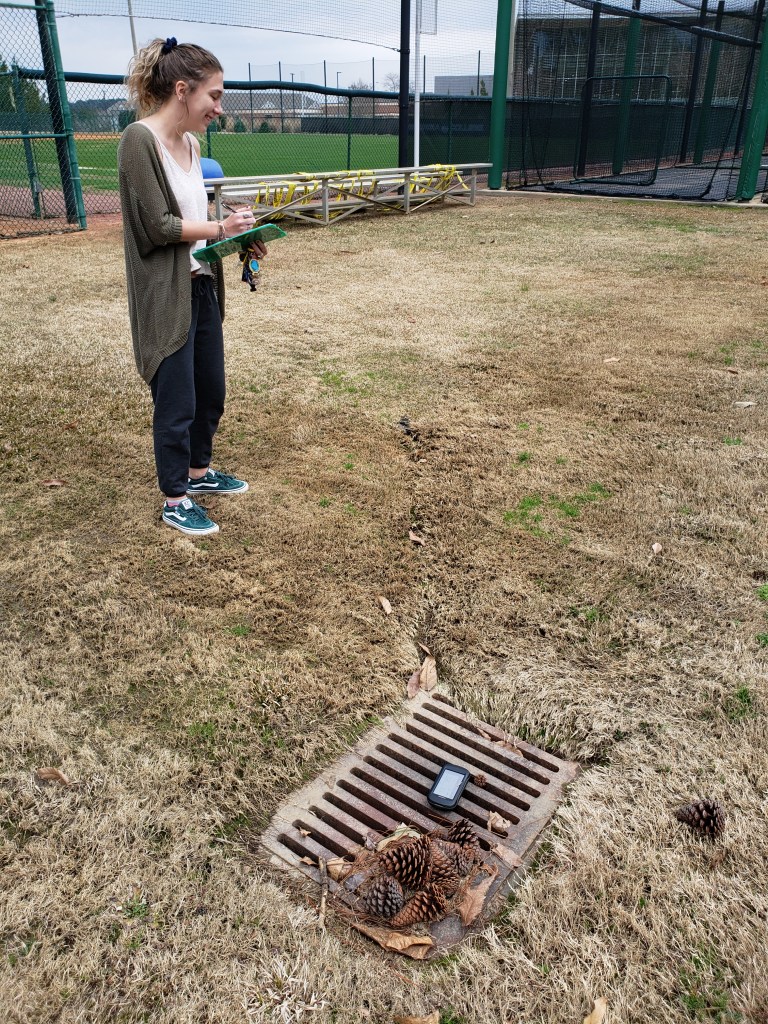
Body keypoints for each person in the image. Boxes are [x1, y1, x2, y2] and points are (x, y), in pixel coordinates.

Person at [118, 37, 266, 536]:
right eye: (215, 96)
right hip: (166, 293)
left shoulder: (192, 144)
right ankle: (174, 498)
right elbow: (159, 226)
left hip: (201, 285)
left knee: (210, 389)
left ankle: (199, 475)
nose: (219, 109)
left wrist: (240, 236)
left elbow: (196, 221)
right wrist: (219, 229)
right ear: (182, 90)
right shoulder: (138, 141)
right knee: (177, 399)